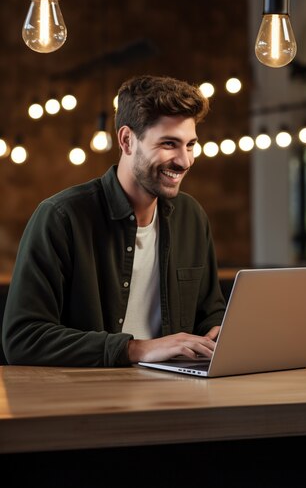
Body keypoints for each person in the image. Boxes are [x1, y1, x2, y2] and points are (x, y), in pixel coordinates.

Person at [2, 74, 226, 367]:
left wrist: (221, 331)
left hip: (177, 394)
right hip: (87, 399)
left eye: (190, 145)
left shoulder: (192, 216)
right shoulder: (60, 217)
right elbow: (22, 338)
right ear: (127, 140)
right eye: (169, 144)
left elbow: (210, 312)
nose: (184, 160)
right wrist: (137, 349)